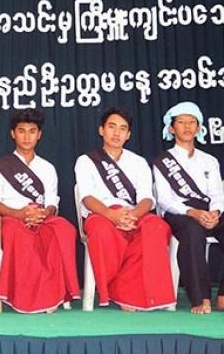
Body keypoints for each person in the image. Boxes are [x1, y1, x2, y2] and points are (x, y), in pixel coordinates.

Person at [153, 102, 224, 314]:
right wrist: (193, 212)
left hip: (209, 211)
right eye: (181, 122)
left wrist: (215, 213)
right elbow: (164, 200)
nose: (187, 126)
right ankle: (201, 298)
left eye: (192, 122)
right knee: (192, 231)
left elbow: (217, 195)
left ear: (199, 128)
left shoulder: (210, 160)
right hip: (180, 213)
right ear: (172, 128)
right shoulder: (163, 161)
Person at [75, 107, 175, 311]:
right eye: (111, 127)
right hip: (102, 213)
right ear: (101, 130)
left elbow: (147, 198)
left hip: (134, 213)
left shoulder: (138, 162)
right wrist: (111, 215)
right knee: (101, 231)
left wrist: (133, 215)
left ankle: (133, 293)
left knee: (157, 227)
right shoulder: (86, 161)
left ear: (128, 134)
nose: (116, 133)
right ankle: (115, 290)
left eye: (122, 129)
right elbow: (87, 197)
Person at [0, 108, 80, 313]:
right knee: (17, 233)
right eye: (21, 131)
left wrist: (43, 214)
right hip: (11, 217)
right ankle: (27, 298)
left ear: (39, 134)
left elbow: (52, 203)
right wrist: (19, 214)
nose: (27, 136)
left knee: (64, 229)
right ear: (13, 134)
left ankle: (55, 294)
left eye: (32, 131)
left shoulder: (47, 168)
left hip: (41, 217)